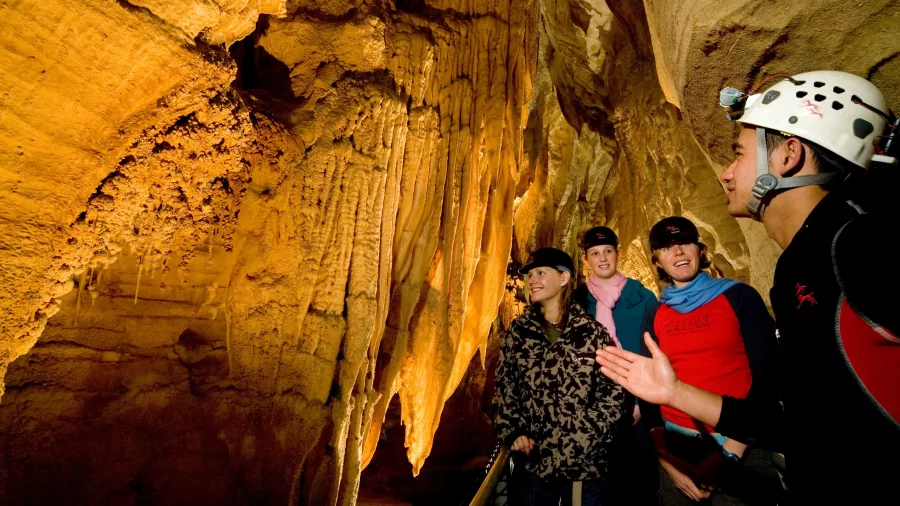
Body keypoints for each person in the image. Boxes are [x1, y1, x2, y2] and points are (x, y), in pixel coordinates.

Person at [595, 71, 900, 503]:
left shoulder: (863, 243)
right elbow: (804, 425)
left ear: (788, 155)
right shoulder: (801, 263)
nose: (726, 172)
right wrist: (674, 393)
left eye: (738, 153)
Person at [639, 216, 780, 505]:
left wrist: (730, 452)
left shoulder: (739, 297)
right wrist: (666, 460)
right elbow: (648, 388)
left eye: (685, 243)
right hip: (676, 448)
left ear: (700, 251)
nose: (677, 252)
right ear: (657, 261)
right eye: (666, 248)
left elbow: (769, 378)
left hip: (740, 445)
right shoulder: (656, 314)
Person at [493, 247, 624, 506]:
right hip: (534, 465)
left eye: (541, 273)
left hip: (584, 468)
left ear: (564, 279)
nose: (532, 280)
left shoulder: (592, 334)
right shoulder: (519, 333)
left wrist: (582, 440)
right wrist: (514, 431)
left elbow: (612, 395)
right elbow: (504, 387)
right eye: (530, 274)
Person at [573, 226, 658, 505]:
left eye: (608, 251)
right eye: (595, 253)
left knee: (639, 481)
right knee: (602, 486)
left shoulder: (642, 297)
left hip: (638, 402)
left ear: (617, 254)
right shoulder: (578, 301)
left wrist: (640, 402)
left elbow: (653, 352)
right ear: (586, 260)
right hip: (594, 407)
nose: (603, 258)